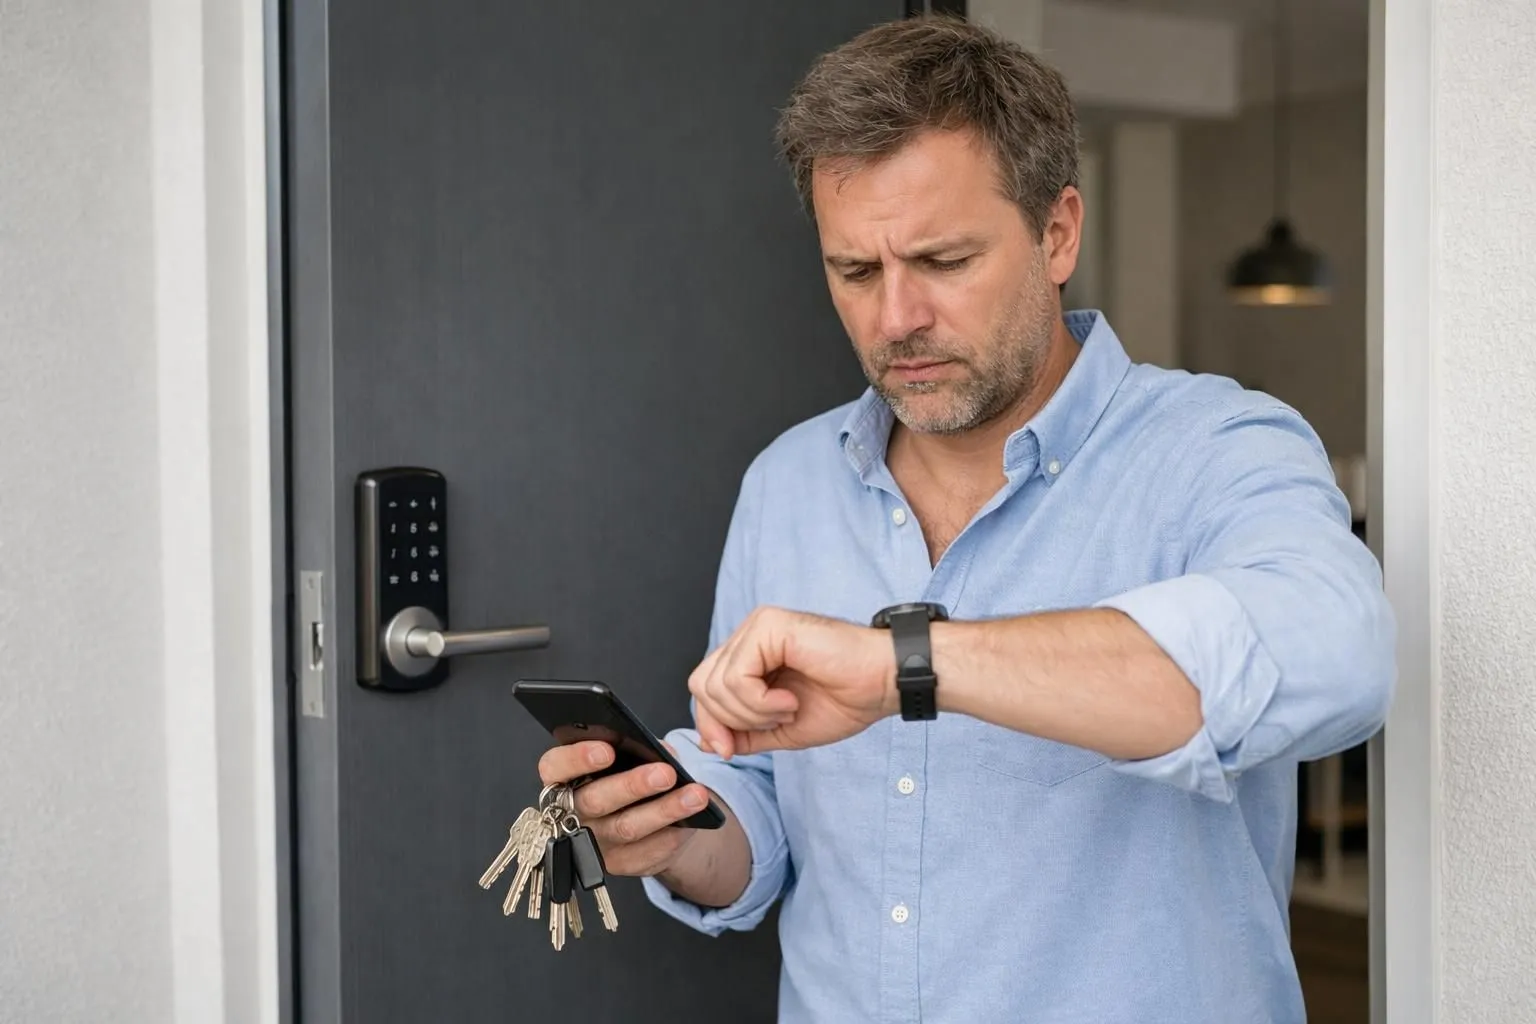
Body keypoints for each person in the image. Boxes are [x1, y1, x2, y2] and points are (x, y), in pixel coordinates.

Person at [538, 15, 1395, 1023]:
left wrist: (910, 664)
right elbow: (762, 824)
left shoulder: (1215, 445)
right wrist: (680, 834)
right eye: (855, 271)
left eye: (943, 261)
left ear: (1058, 231)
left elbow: (1340, 656)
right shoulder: (788, 483)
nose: (894, 318)